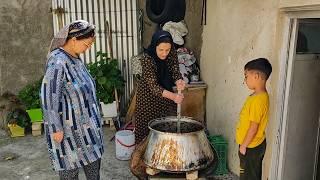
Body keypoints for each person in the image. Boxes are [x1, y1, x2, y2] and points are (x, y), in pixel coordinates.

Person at [40, 20, 103, 180]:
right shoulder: (57, 62)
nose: (88, 48)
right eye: (87, 44)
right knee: (70, 171)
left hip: (87, 129)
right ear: (74, 40)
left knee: (93, 169)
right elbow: (48, 96)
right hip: (68, 132)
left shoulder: (74, 57)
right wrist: (55, 128)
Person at [130, 30, 185, 179]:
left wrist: (179, 80)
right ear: (154, 46)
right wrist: (174, 96)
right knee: (146, 130)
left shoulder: (171, 53)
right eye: (161, 50)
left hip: (166, 95)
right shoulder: (147, 59)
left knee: (167, 128)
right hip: (148, 98)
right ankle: (143, 168)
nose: (164, 53)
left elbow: (175, 70)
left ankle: (165, 163)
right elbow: (153, 86)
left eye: (167, 50)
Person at [236, 58, 272, 180]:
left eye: (246, 76)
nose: (245, 80)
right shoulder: (259, 96)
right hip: (254, 144)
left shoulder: (258, 101)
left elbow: (253, 127)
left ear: (256, 76)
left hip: (251, 147)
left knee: (248, 176)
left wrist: (244, 146)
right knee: (251, 174)